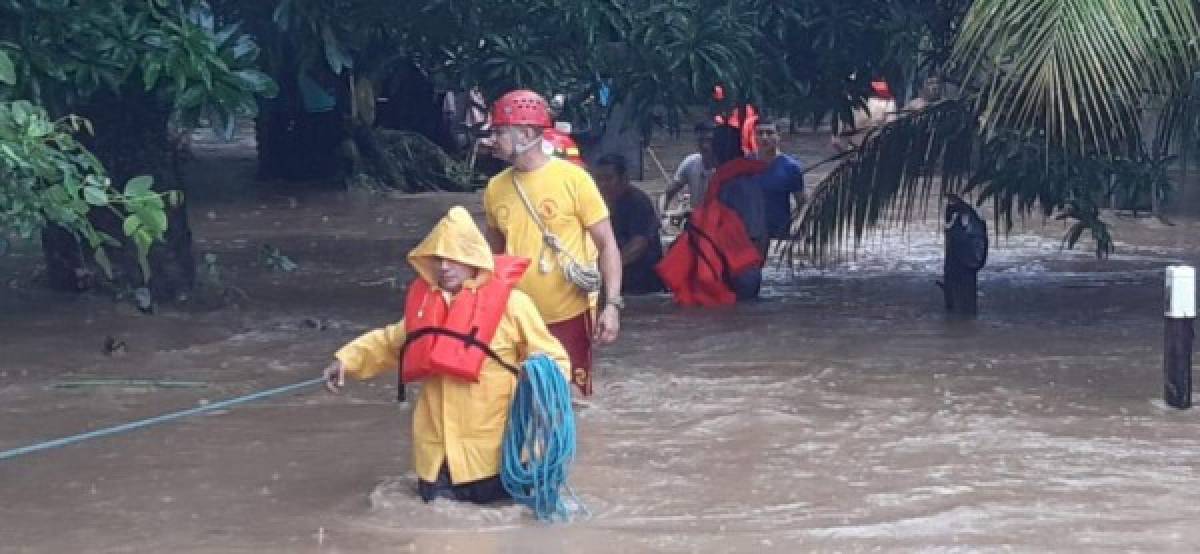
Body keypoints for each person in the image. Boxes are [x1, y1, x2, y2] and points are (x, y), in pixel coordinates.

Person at [322, 206, 571, 504]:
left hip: (495, 455)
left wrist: (544, 381)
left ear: (473, 258)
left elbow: (553, 358)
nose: (444, 267)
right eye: (438, 259)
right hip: (436, 459)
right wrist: (346, 361)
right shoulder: (426, 308)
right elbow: (390, 343)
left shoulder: (514, 306)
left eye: (453, 258)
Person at [481, 89, 623, 397]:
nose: (493, 139)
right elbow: (491, 256)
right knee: (520, 398)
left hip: (569, 313)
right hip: (516, 317)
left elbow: (607, 245)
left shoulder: (574, 180)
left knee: (572, 399)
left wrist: (611, 306)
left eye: (500, 131)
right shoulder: (495, 188)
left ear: (527, 134)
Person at [657, 124, 769, 305]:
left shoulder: (741, 185)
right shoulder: (724, 181)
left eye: (710, 143)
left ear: (718, 151)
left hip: (738, 273)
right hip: (724, 268)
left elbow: (756, 234)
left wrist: (750, 270)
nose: (703, 148)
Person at [593, 153, 665, 295]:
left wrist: (609, 268)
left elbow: (638, 245)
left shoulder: (638, 202)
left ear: (623, 179)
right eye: (599, 179)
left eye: (608, 179)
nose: (603, 185)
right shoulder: (597, 203)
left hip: (640, 280)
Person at [754, 118, 806, 240]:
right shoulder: (745, 164)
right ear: (754, 137)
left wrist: (799, 227)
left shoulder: (791, 167)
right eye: (760, 133)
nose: (764, 137)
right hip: (751, 234)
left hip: (779, 235)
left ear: (778, 136)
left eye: (769, 133)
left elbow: (802, 203)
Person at [661, 122, 716, 213]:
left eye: (708, 140)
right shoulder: (691, 162)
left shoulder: (724, 167)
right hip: (697, 220)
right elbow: (667, 193)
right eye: (700, 140)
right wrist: (662, 213)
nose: (704, 145)